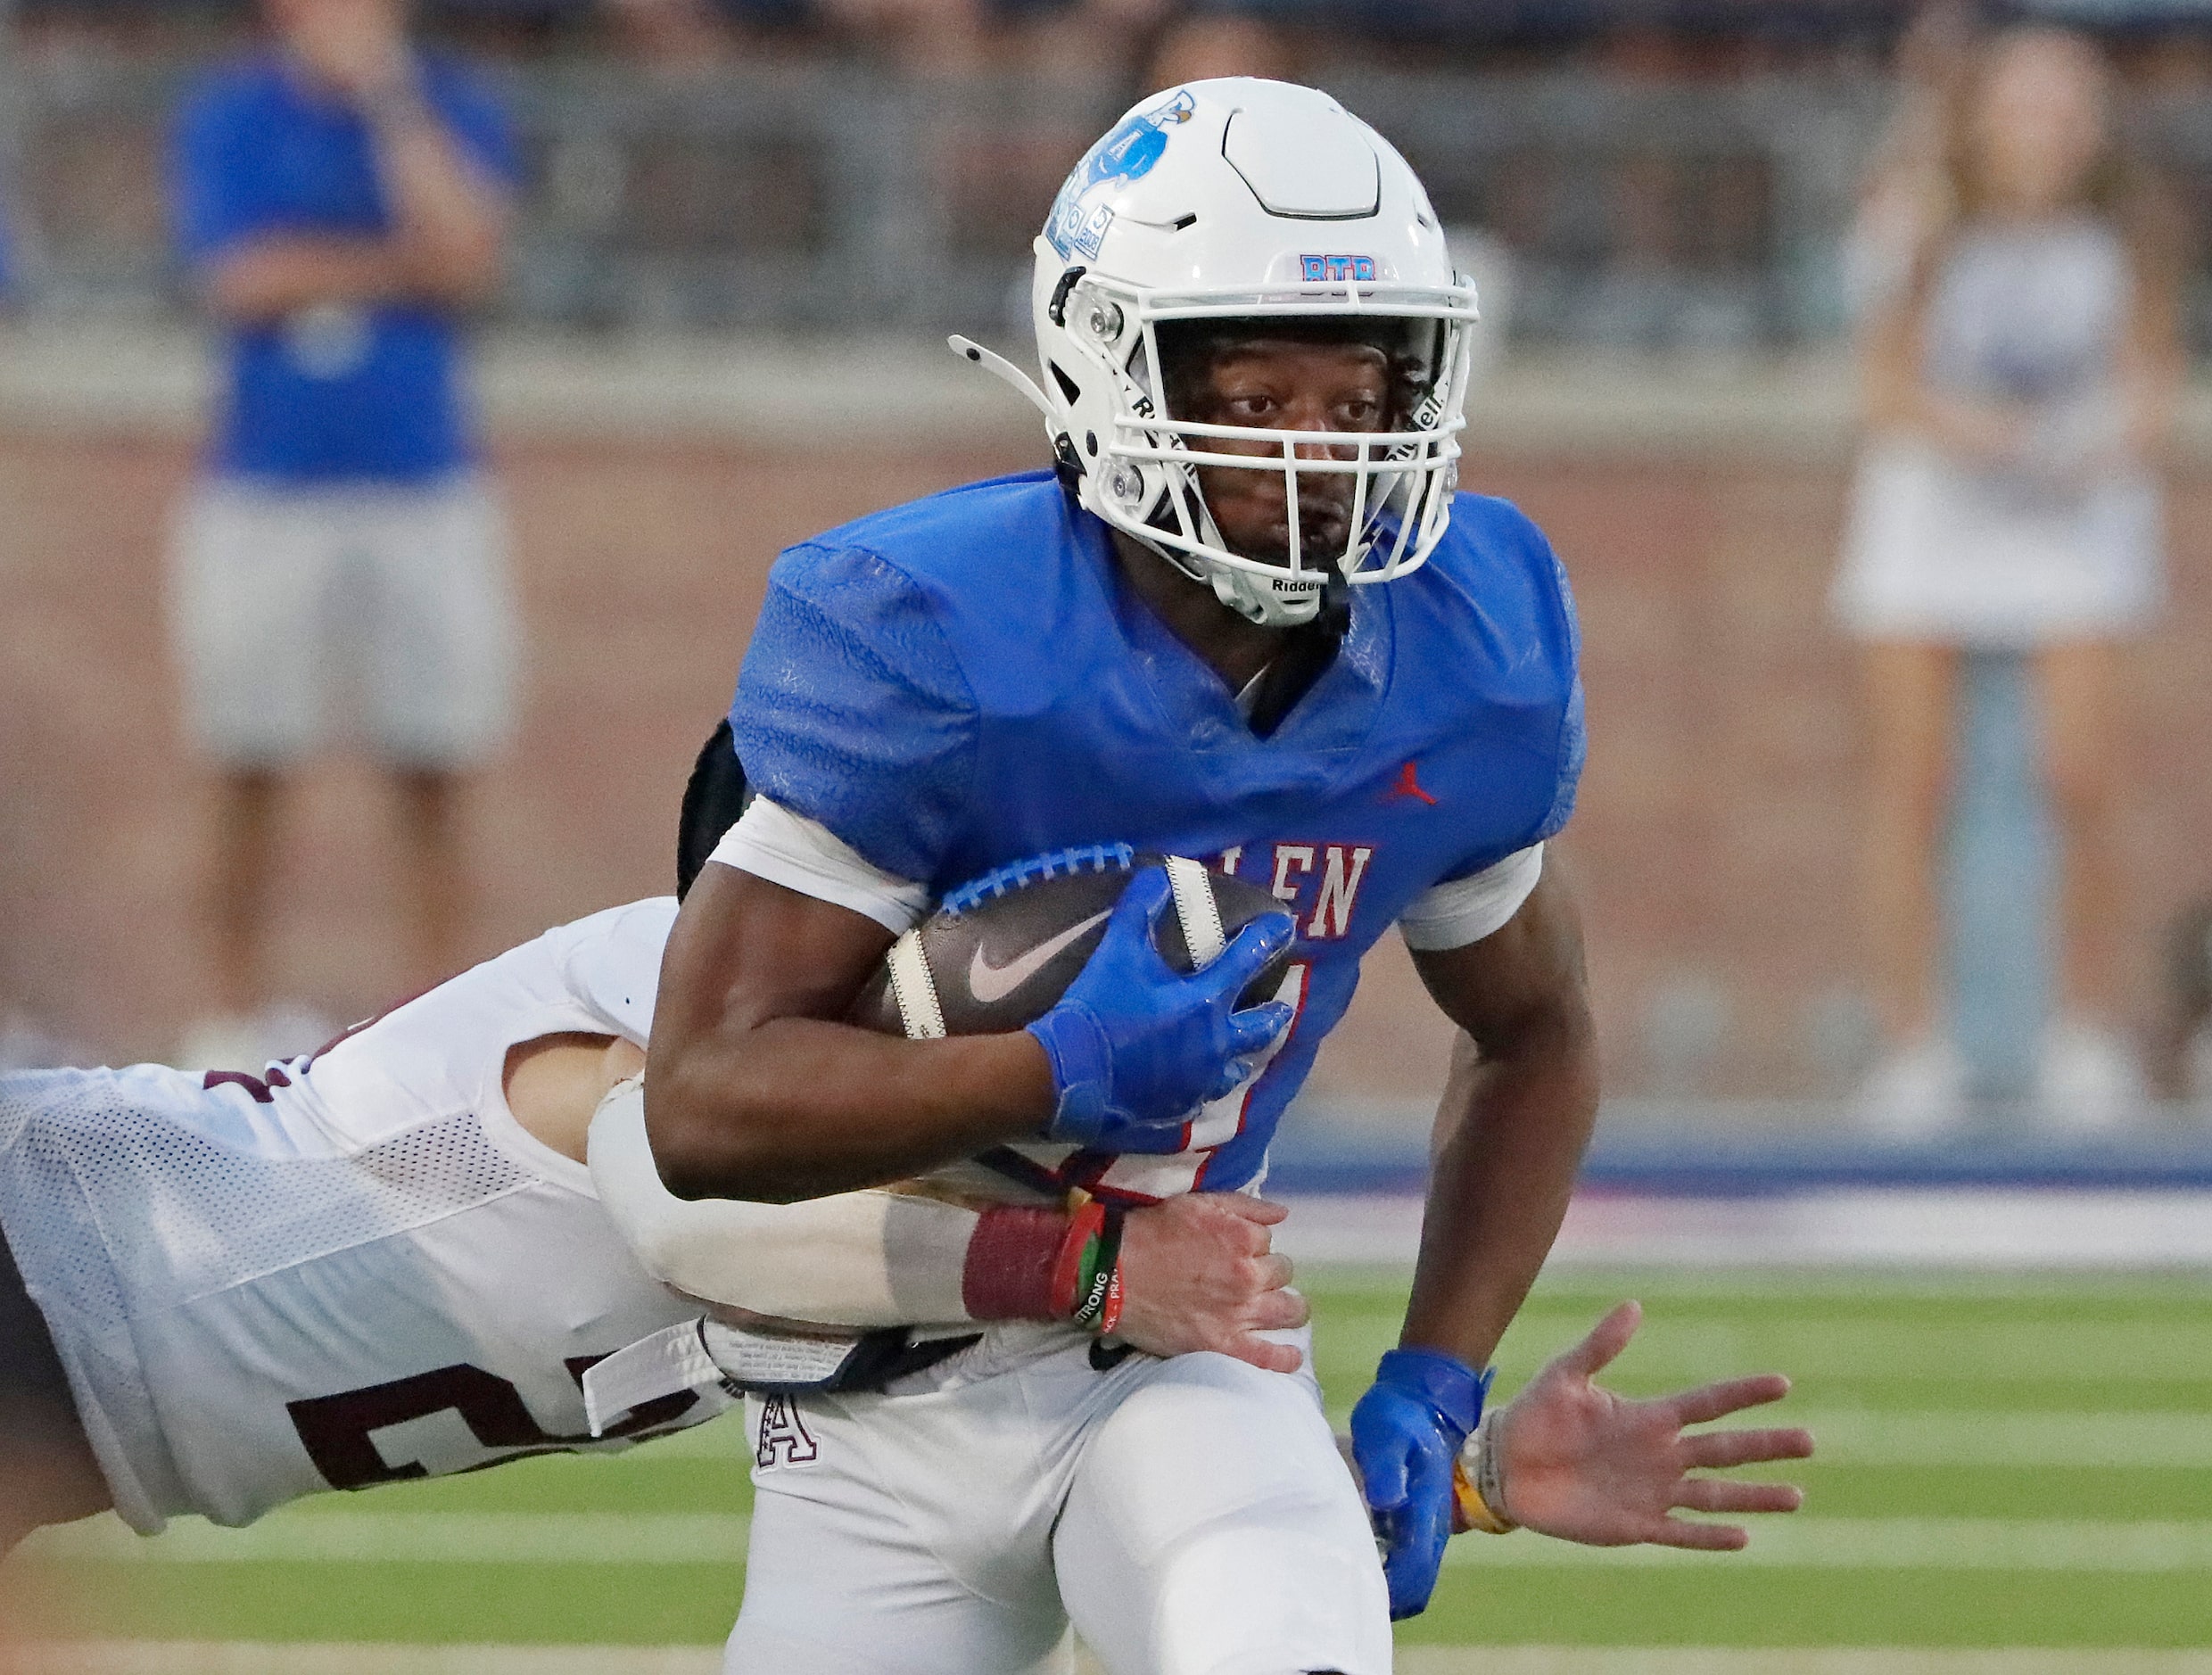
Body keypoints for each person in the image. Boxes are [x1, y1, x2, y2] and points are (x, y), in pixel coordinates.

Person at [629, 77, 1803, 1675]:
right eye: (1254, 391)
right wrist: (1053, 1066)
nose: (1318, 450)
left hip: (1186, 1332)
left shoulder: (1469, 643)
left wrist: (1437, 1383)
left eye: (1361, 390)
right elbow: (698, 1100)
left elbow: (1540, 1025)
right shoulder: (932, 627)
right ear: (1108, 364)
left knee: (1283, 1636)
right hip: (871, 1374)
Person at [0, 752, 1809, 1572]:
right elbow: (676, 1197)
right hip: (57, 1256)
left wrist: (1468, 1481)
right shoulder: (674, 1008)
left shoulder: (933, 1175)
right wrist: (1089, 1270)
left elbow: (1099, 1479)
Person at [1833, 26, 2183, 1133]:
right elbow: (1880, 386)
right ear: (1977, 113)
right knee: (1915, 786)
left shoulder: (2128, 228)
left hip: (2071, 525)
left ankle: (2079, 1036)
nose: (2044, 128)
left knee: (2077, 782)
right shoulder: (1914, 219)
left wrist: (2105, 438)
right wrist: (1976, 432)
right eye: (2021, 103)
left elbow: (2147, 378)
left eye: (2066, 106)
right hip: (1931, 514)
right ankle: (1911, 1047)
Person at [166, 0, 524, 1069]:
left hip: (423, 480)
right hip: (264, 482)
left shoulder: (450, 105)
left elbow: (465, 254)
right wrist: (391, 268)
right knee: (246, 753)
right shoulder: (230, 115)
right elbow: (238, 279)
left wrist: (391, 108)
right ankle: (227, 1018)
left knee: (436, 757)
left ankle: (437, 1023)